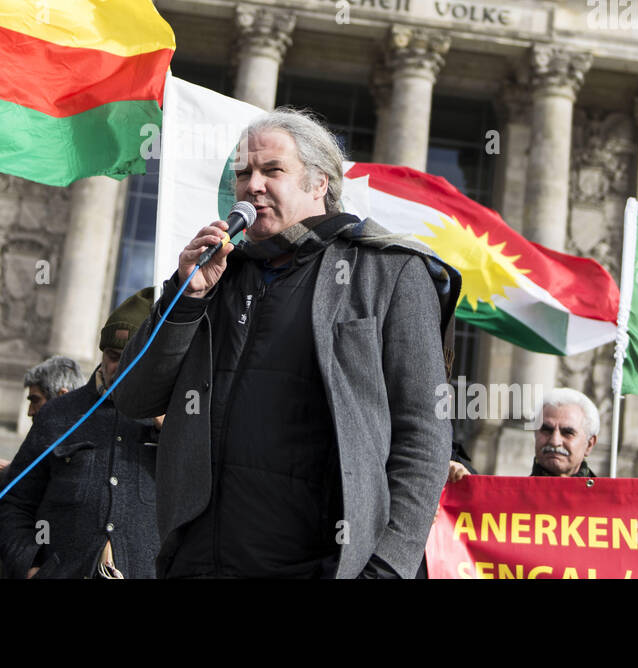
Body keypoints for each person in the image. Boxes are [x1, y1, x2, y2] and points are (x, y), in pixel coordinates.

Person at [113, 110, 460, 578]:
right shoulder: (214, 275)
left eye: (271, 170)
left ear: (319, 183)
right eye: (242, 174)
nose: (252, 186)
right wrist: (184, 297)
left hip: (323, 564)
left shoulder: (390, 271)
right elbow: (134, 397)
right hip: (201, 561)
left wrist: (385, 567)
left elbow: (423, 436)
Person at [0, 289, 161, 579]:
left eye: (132, 356)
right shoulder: (59, 414)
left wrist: (172, 431)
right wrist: (28, 566)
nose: (120, 366)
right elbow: (14, 500)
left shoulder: (173, 421)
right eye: (113, 356)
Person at [0, 354, 85, 494]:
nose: (30, 412)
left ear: (62, 397)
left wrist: (8, 472)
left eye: (35, 400)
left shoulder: (84, 441)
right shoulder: (46, 437)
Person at [530, 387, 599, 478]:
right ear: (535, 434)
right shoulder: (512, 491)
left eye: (567, 433)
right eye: (547, 430)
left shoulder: (607, 492)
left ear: (589, 444)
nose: (554, 441)